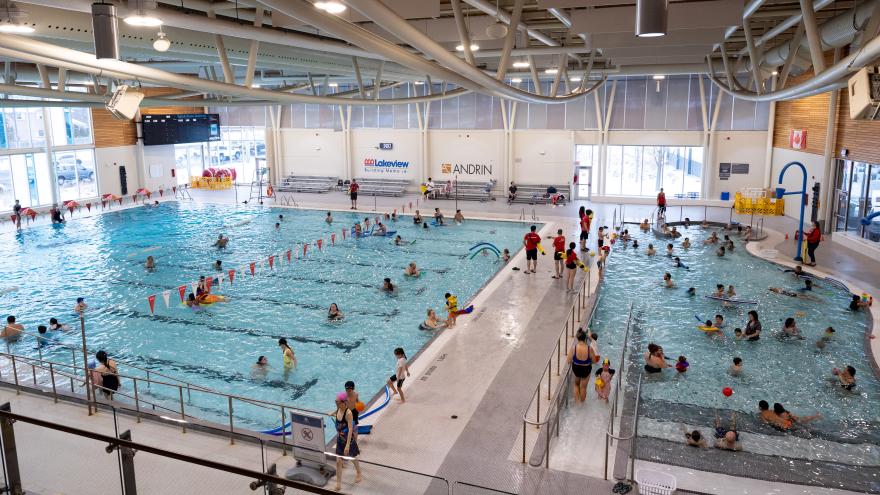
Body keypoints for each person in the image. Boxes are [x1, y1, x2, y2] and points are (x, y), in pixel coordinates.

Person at [332, 392, 362, 491]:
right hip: (340, 440)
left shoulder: (348, 413)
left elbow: (350, 429)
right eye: (335, 401)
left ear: (343, 402)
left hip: (349, 440)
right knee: (338, 462)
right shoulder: (338, 409)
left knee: (352, 457)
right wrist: (331, 413)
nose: (336, 403)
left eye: (337, 402)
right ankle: (338, 484)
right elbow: (337, 413)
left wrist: (348, 445)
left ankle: (358, 472)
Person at [568, 329, 593, 403]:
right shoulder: (589, 349)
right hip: (586, 369)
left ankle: (577, 404)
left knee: (576, 384)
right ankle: (582, 405)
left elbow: (568, 361)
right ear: (585, 338)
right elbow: (594, 361)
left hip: (576, 369)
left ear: (577, 337)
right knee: (583, 387)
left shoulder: (574, 348)